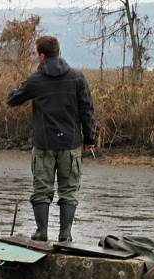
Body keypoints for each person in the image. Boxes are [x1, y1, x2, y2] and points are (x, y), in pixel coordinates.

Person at [7, 35, 96, 243]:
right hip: (71, 143)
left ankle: (41, 232)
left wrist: (21, 87)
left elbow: (12, 100)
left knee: (41, 189)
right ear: (59, 52)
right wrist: (90, 138)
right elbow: (87, 110)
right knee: (70, 190)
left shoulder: (35, 80)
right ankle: (65, 234)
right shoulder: (77, 77)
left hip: (44, 144)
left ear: (41, 55)